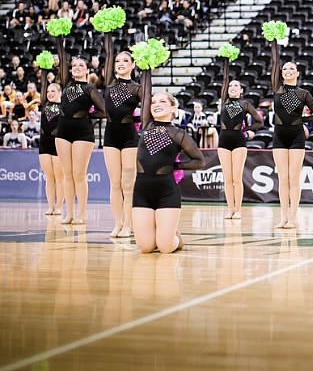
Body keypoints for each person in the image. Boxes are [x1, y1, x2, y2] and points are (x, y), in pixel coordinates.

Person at [133, 85, 205, 254]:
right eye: (153, 102)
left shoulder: (178, 134)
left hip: (166, 192)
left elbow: (199, 161)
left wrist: (176, 166)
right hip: (141, 192)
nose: (156, 104)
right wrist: (147, 66)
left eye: (162, 101)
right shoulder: (146, 125)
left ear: (173, 108)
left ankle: (176, 239)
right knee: (145, 248)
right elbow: (145, 92)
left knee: (165, 247)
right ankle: (164, 233)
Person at [269, 36, 313, 229]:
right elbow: (275, 62)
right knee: (282, 179)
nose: (287, 71)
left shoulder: (303, 93)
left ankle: (293, 218)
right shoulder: (276, 89)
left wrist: (302, 120)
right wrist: (274, 42)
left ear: (297, 73)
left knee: (294, 178)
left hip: (297, 137)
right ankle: (283, 217)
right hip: (279, 137)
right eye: (285, 69)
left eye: (291, 68)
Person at [53, 48, 106, 225]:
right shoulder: (67, 84)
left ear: (87, 70)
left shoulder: (90, 89)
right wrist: (59, 38)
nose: (76, 67)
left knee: (79, 174)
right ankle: (69, 213)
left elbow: (104, 111)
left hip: (82, 133)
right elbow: (62, 58)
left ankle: (81, 214)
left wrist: (87, 115)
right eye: (74, 65)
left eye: (80, 65)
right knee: (67, 174)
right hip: (62, 132)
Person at [101, 36, 143, 239]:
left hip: (129, 137)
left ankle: (129, 225)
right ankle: (117, 224)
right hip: (110, 136)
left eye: (125, 61)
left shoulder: (137, 88)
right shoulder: (109, 83)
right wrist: (108, 33)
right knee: (115, 183)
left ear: (133, 65)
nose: (120, 64)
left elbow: (149, 107)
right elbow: (108, 54)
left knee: (128, 184)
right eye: (117, 61)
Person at [217, 62, 264, 220]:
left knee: (237, 178)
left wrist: (247, 129)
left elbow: (259, 121)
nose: (232, 87)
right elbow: (224, 79)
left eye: (236, 86)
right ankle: (230, 209)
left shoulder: (245, 104)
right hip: (223, 142)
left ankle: (238, 210)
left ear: (241, 90)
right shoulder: (224, 100)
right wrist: (227, 62)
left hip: (238, 141)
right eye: (230, 86)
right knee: (227, 178)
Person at [38, 81, 64, 216]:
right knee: (49, 177)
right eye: (48, 91)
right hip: (44, 143)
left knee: (59, 177)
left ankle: (59, 206)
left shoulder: (64, 106)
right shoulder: (44, 104)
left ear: (60, 92)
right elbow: (42, 86)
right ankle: (50, 206)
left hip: (58, 144)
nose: (49, 94)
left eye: (53, 91)